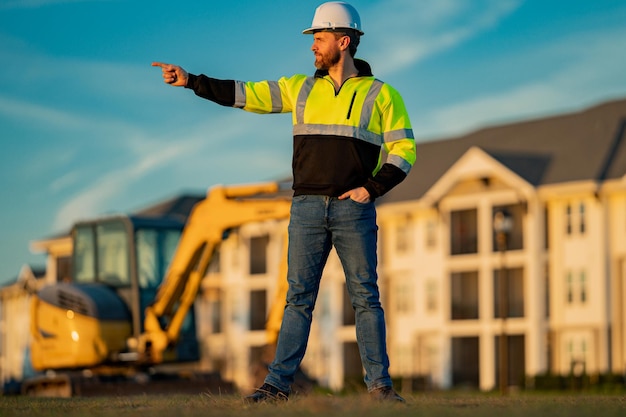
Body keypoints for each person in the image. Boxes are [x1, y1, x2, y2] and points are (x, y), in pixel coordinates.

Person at [153, 1, 416, 403]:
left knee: (366, 297)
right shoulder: (300, 88)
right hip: (306, 209)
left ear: (343, 42)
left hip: (354, 210)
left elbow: (404, 150)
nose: (313, 45)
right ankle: (276, 386)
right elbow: (245, 94)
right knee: (298, 300)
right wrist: (191, 80)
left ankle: (380, 389)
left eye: (320, 37)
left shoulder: (382, 95)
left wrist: (372, 189)